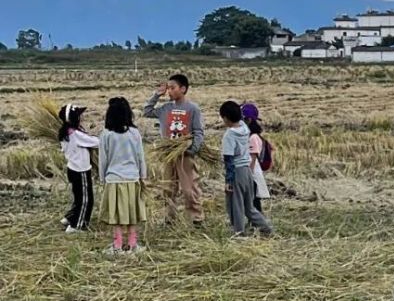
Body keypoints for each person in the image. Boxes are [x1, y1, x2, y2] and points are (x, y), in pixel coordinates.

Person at [143, 73, 205, 224]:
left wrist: (192, 149)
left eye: (172, 88)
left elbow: (198, 131)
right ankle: (169, 217)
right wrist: (157, 95)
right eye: (168, 88)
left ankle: (196, 218)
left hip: (185, 154)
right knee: (168, 187)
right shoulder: (166, 108)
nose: (169, 91)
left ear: (183, 89)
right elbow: (147, 111)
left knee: (189, 188)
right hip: (168, 153)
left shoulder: (192, 109)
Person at [98, 98, 147, 255]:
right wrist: (143, 176)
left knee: (116, 214)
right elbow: (141, 157)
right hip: (132, 179)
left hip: (113, 180)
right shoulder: (135, 133)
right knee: (132, 213)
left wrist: (102, 178)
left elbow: (103, 159)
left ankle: (117, 245)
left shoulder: (106, 134)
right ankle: (133, 244)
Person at [220, 101, 273, 238]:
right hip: (248, 172)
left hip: (237, 172)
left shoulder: (229, 135)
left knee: (235, 205)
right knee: (249, 206)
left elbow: (229, 160)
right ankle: (265, 228)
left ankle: (239, 233)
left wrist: (229, 181)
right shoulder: (244, 129)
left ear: (225, 118)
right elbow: (242, 119)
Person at [58, 103, 99, 234]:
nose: (82, 118)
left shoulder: (65, 132)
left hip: (72, 169)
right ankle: (76, 226)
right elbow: (96, 142)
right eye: (80, 116)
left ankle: (69, 218)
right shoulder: (76, 135)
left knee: (78, 197)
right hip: (81, 171)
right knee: (86, 200)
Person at [241, 103, 271, 213]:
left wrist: (247, 175)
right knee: (251, 201)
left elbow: (252, 159)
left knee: (253, 202)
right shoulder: (249, 135)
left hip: (251, 174)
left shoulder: (253, 137)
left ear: (248, 120)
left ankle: (259, 224)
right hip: (249, 172)